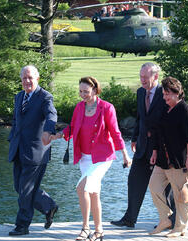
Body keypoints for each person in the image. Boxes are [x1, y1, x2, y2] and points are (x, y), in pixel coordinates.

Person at [51, 76, 131, 241]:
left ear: (95, 90)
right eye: (80, 91)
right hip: (85, 158)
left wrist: (125, 154)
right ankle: (99, 230)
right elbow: (72, 127)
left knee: (82, 188)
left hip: (102, 157)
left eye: (86, 91)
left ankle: (85, 228)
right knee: (93, 193)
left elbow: (115, 133)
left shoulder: (107, 108)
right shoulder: (79, 108)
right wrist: (58, 135)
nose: (82, 94)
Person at [111, 62, 175, 228]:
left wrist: (157, 146)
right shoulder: (140, 92)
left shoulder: (165, 93)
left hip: (161, 148)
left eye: (145, 77)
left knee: (165, 186)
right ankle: (129, 219)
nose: (142, 80)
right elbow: (140, 118)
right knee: (134, 181)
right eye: (141, 77)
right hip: (141, 147)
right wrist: (134, 137)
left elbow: (166, 123)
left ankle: (170, 220)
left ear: (155, 77)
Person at [8, 65, 58, 236]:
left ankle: (22, 226)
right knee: (19, 187)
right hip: (18, 149)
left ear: (37, 78)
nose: (27, 81)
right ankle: (48, 206)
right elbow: (16, 120)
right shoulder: (19, 96)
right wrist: (12, 137)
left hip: (37, 151)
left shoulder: (45, 97)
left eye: (30, 77)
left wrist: (48, 131)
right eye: (24, 78)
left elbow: (52, 115)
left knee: (26, 190)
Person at [149, 76, 188, 238]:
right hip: (162, 159)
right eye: (163, 94)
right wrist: (154, 152)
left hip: (180, 161)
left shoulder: (185, 111)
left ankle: (180, 227)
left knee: (180, 196)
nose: (165, 97)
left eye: (168, 94)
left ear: (177, 92)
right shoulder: (164, 108)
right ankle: (165, 218)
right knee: (154, 187)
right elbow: (157, 132)